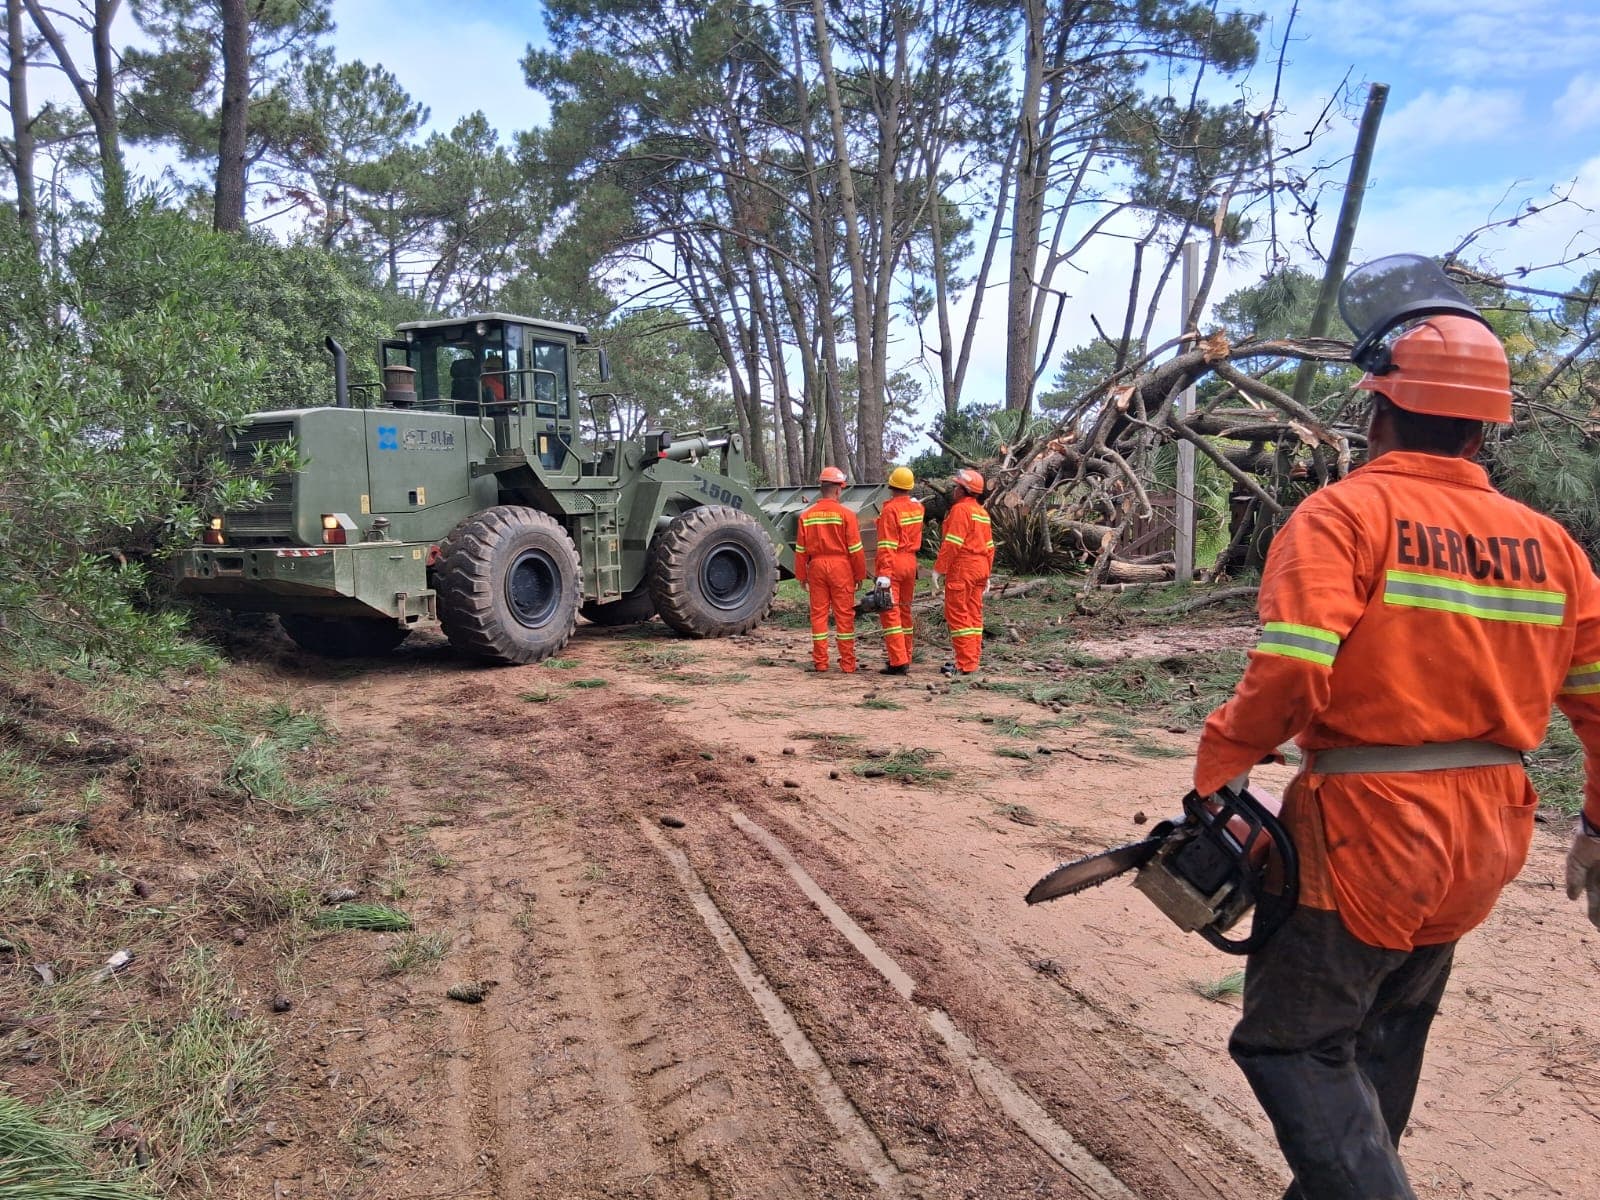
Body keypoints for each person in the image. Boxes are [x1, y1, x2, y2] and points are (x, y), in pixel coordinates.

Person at [1193, 310, 1600, 1200]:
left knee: (1294, 1041)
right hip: (1489, 835)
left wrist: (1220, 762)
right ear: (1486, 423)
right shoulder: (1554, 548)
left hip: (1369, 834)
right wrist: (1599, 826)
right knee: (1381, 1038)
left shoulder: (1345, 514)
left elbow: (1295, 672)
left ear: (1377, 410)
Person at [795, 466, 867, 673]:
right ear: (838, 490)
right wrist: (859, 573)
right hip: (841, 567)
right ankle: (847, 664)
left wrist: (801, 575)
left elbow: (800, 550)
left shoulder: (806, 516)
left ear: (821, 488)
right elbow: (855, 549)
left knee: (818, 616)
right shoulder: (847, 515)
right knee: (844, 615)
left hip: (816, 567)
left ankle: (820, 662)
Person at [932, 467, 994, 676]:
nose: (953, 490)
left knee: (958, 615)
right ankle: (972, 660)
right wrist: (987, 574)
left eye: (956, 486)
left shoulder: (960, 510)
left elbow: (953, 543)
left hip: (963, 567)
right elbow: (990, 546)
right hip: (981, 567)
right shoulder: (982, 513)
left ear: (962, 490)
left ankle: (965, 664)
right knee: (974, 615)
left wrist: (940, 569)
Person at [873, 466, 925, 675]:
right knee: (904, 610)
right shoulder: (917, 508)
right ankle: (906, 654)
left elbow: (886, 543)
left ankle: (898, 661)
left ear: (891, 485)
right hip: (910, 562)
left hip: (893, 563)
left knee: (890, 613)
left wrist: (884, 573)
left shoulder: (890, 510)